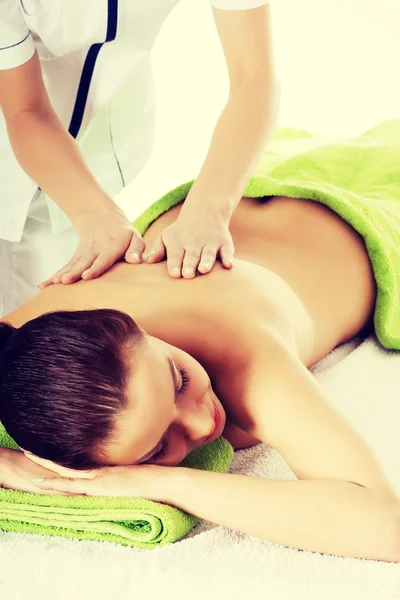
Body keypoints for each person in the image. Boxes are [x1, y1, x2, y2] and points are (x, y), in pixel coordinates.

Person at [0, 188, 399, 563]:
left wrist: (165, 483)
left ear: (134, 326)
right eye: (156, 449)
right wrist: (10, 465)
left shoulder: (249, 362)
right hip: (220, 208)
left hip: (352, 217)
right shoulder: (22, 345)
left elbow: (385, 527)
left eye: (179, 380)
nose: (205, 421)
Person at [0, 0, 279, 317]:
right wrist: (96, 217)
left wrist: (210, 209)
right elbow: (25, 110)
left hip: (104, 153)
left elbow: (253, 76)